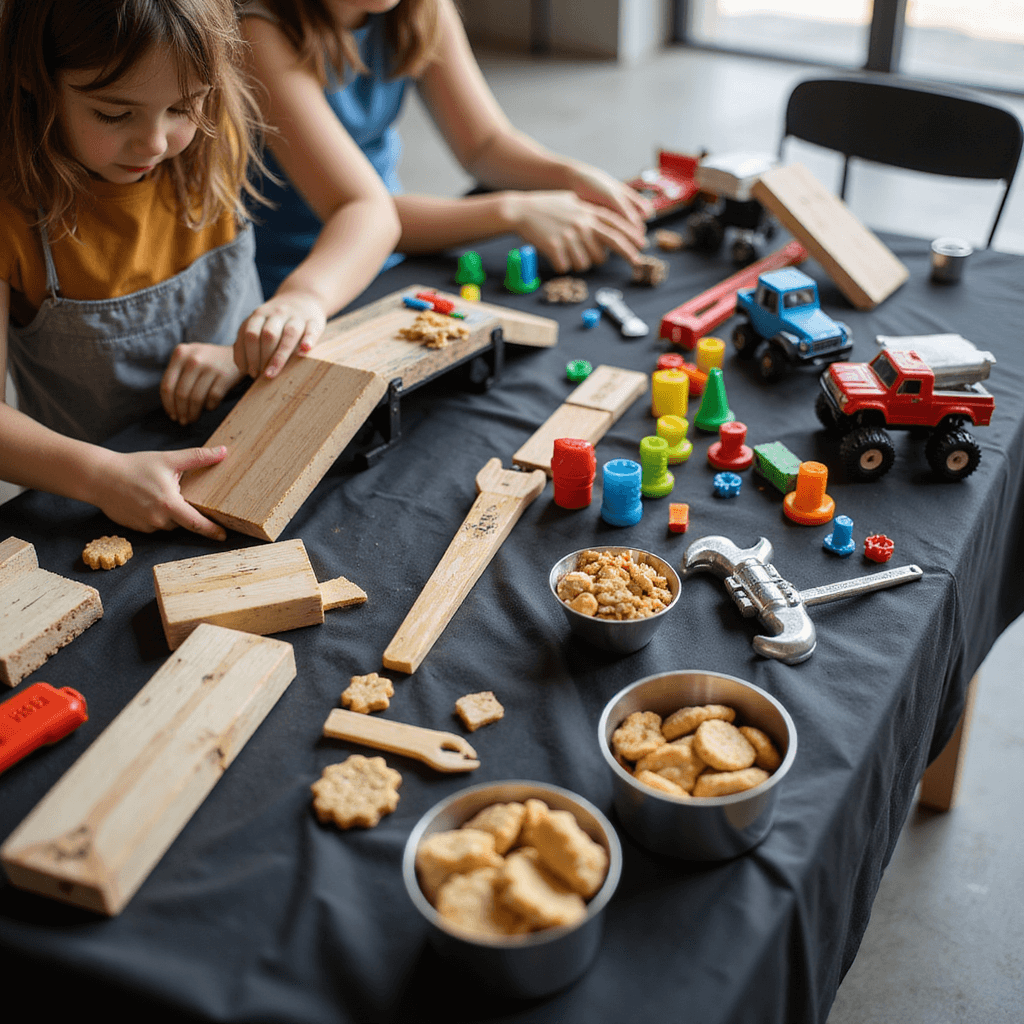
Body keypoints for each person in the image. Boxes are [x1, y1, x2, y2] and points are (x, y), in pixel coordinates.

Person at [0, 0, 399, 540]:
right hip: (100, 500)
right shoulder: (13, 213)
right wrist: (100, 476)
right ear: (33, 75)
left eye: (184, 107)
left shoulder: (215, 140)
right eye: (114, 114)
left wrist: (300, 299)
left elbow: (370, 212)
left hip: (260, 455)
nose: (155, 143)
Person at [238, 0, 652, 345]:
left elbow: (484, 144)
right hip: (310, 284)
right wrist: (514, 210)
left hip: (396, 251)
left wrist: (570, 175)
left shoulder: (417, 8)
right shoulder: (261, 32)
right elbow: (363, 213)